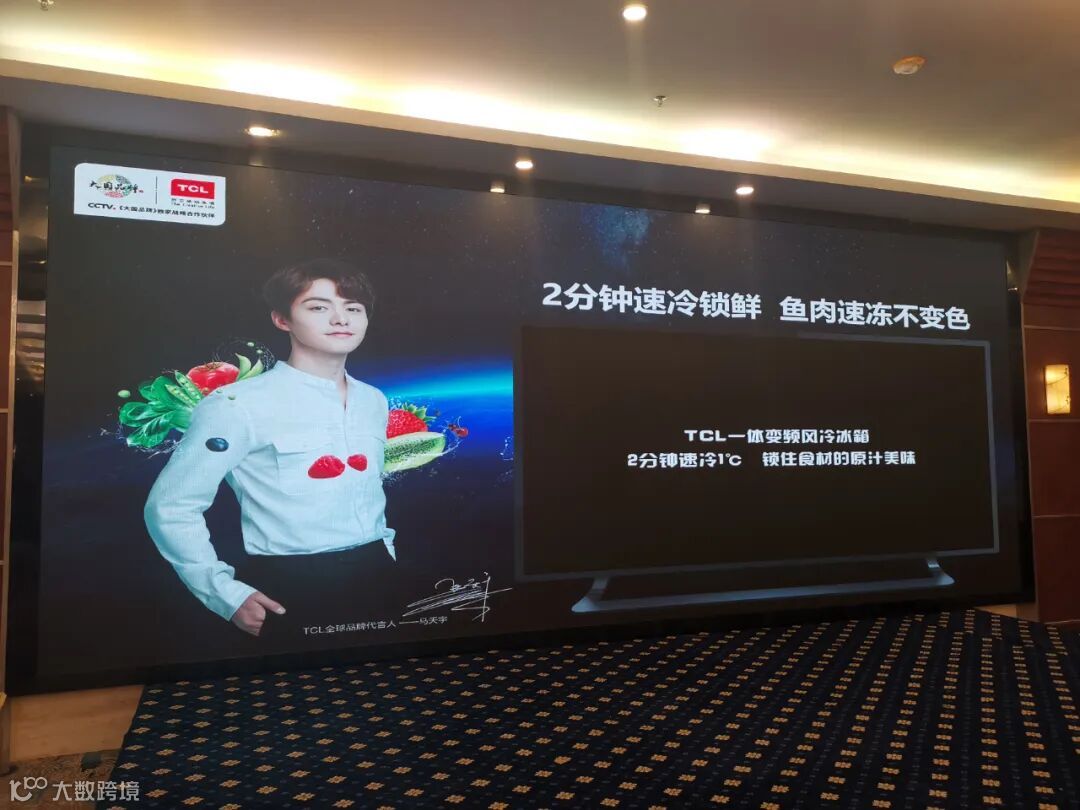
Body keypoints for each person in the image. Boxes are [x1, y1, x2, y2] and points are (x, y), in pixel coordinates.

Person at [144, 258, 396, 637]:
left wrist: (386, 550)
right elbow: (170, 505)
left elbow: (368, 489)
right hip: (291, 584)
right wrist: (223, 593)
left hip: (380, 574)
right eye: (318, 307)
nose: (340, 319)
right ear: (282, 319)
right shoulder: (237, 404)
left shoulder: (373, 399)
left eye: (353, 308)